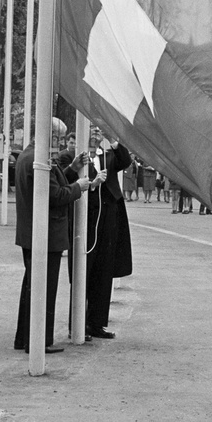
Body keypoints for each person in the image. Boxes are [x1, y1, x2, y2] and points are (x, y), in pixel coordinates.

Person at [14, 117, 89, 355]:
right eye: (57, 137)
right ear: (50, 135)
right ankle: (39, 339)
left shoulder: (29, 155)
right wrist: (80, 187)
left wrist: (72, 169)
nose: (58, 142)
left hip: (34, 232)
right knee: (43, 290)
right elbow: (55, 195)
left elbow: (52, 183)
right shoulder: (39, 159)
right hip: (46, 233)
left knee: (32, 286)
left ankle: (25, 337)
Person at [80, 133, 131, 338]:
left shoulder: (107, 155)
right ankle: (78, 323)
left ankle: (97, 322)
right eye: (90, 129)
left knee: (104, 269)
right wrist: (93, 183)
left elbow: (125, 161)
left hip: (108, 215)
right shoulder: (78, 157)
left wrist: (113, 139)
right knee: (84, 270)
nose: (93, 134)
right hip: (88, 216)